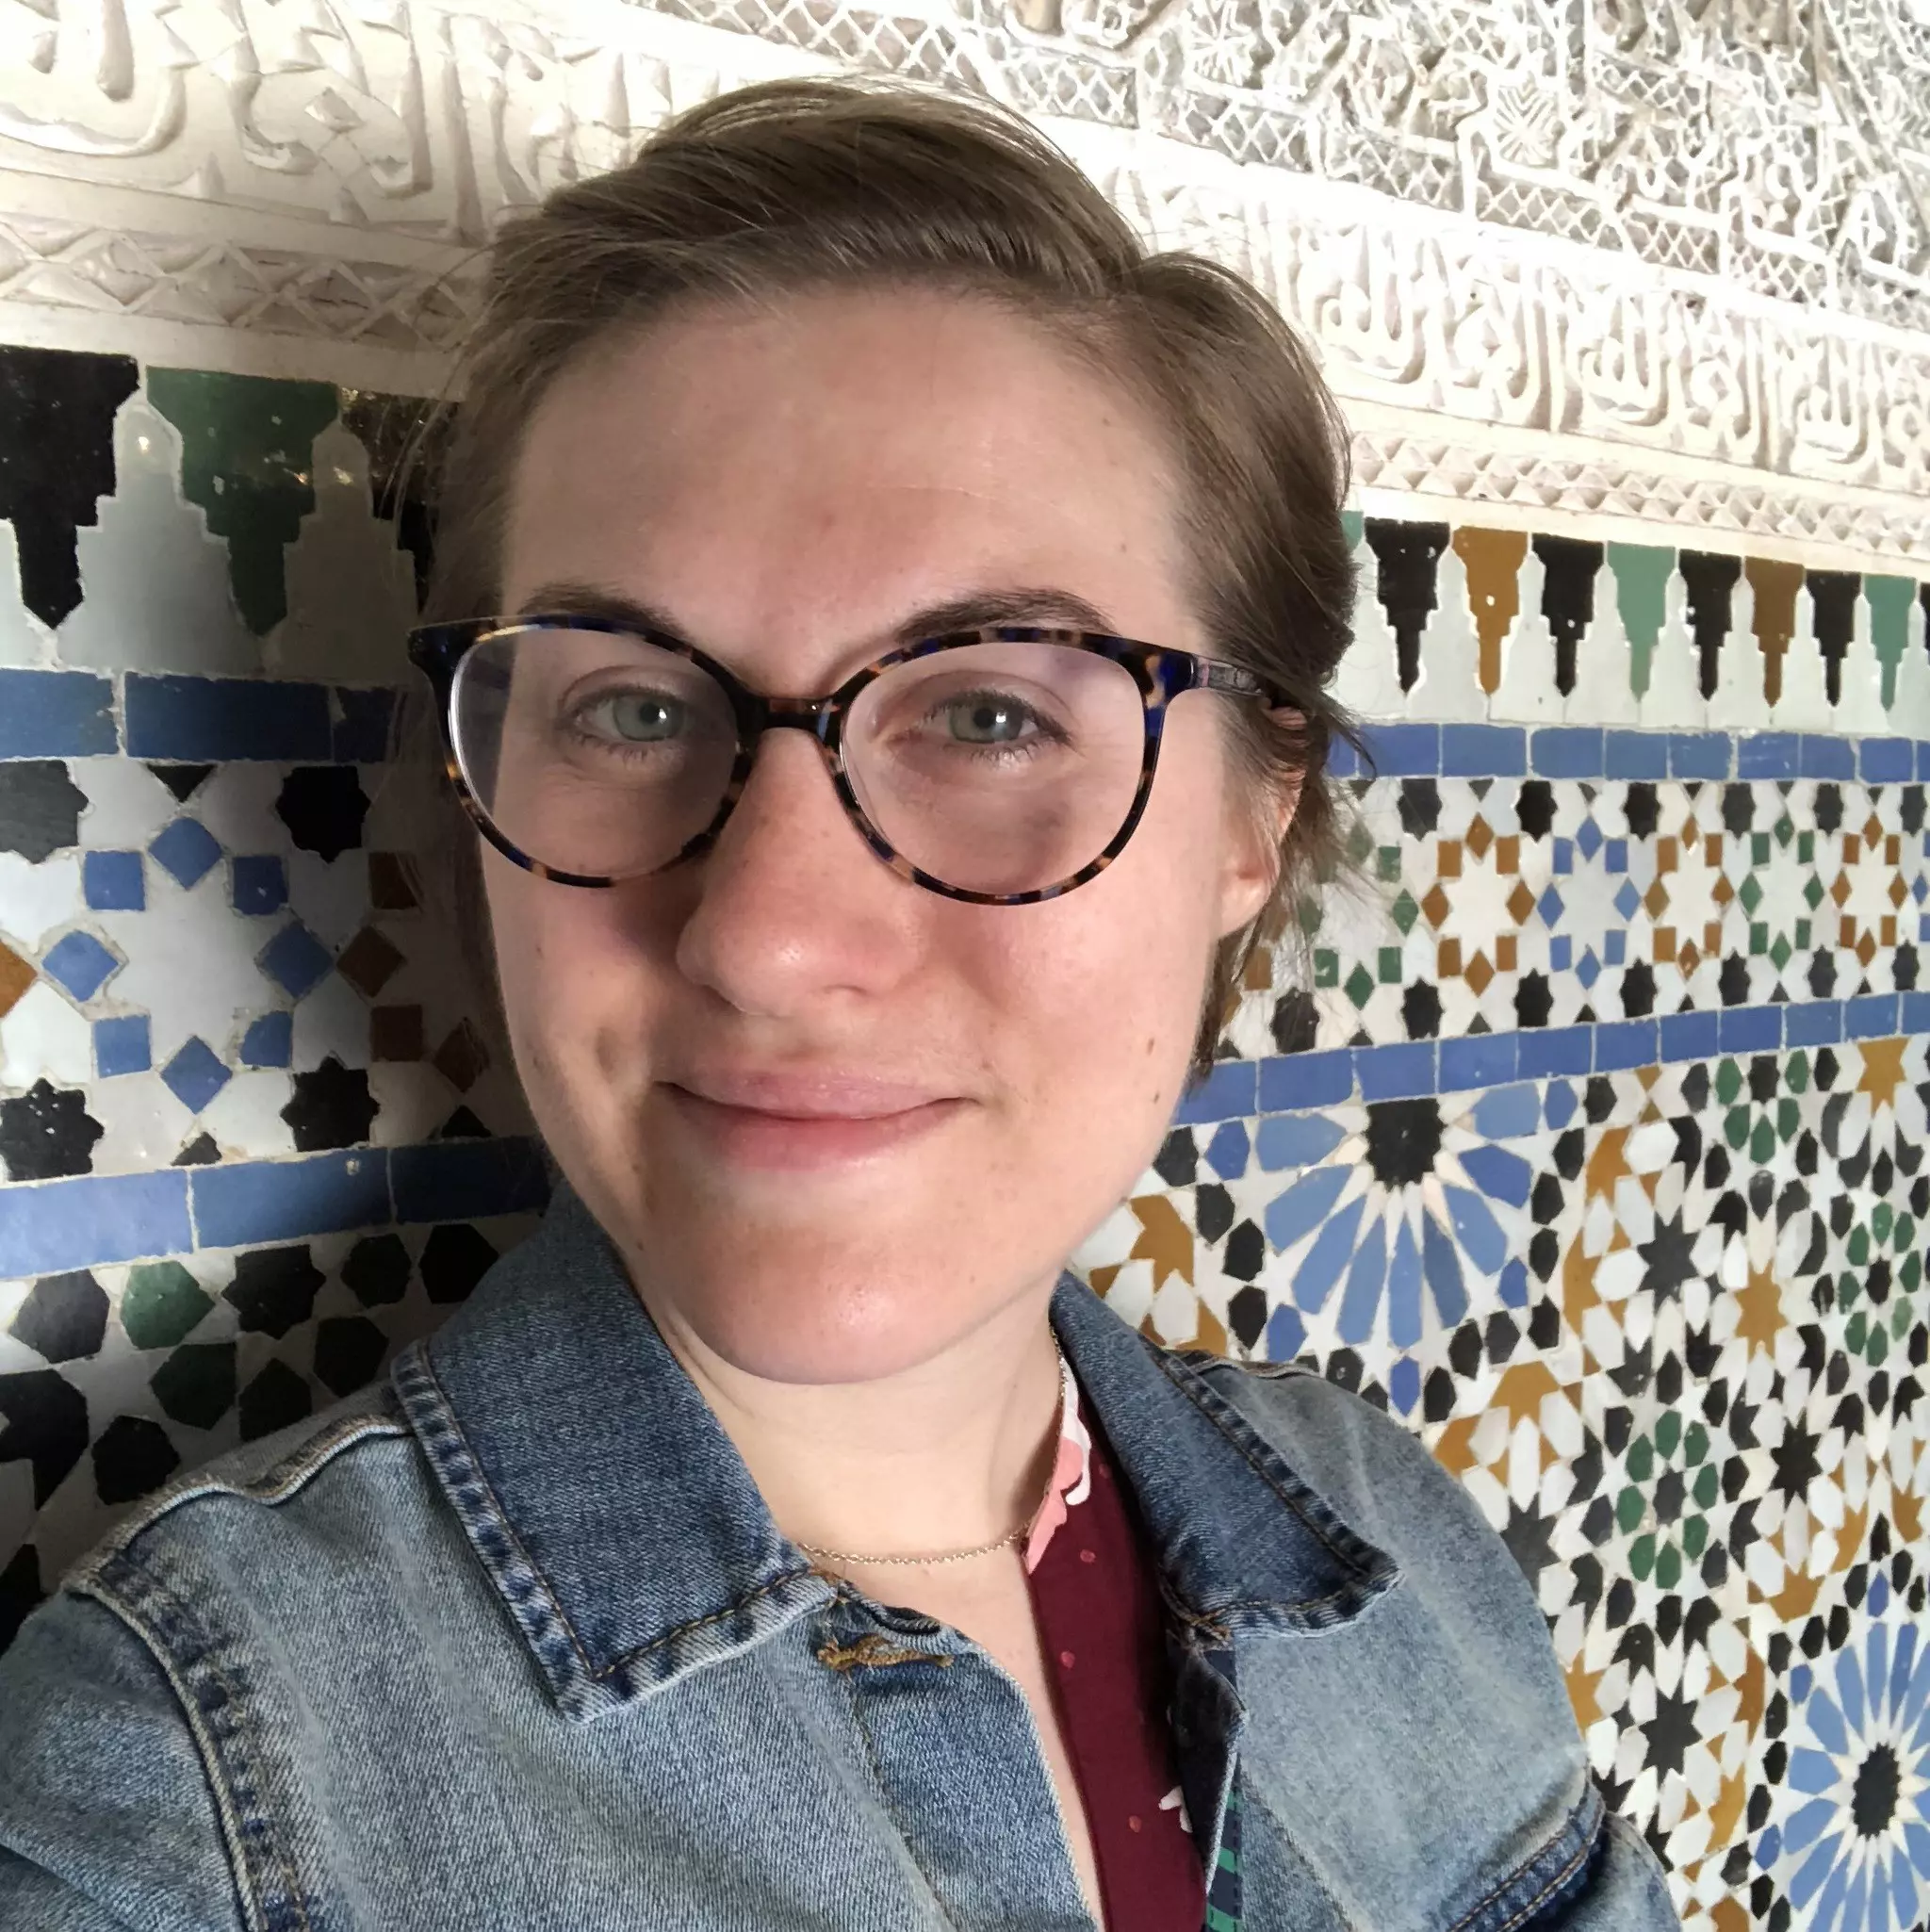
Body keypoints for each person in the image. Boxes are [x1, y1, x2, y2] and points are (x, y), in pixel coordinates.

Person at [0, 75, 1680, 1932]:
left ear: (1255, 816)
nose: (765, 938)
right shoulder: (185, 1787)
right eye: (632, 707)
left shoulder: (1396, 1540)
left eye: (990, 713)